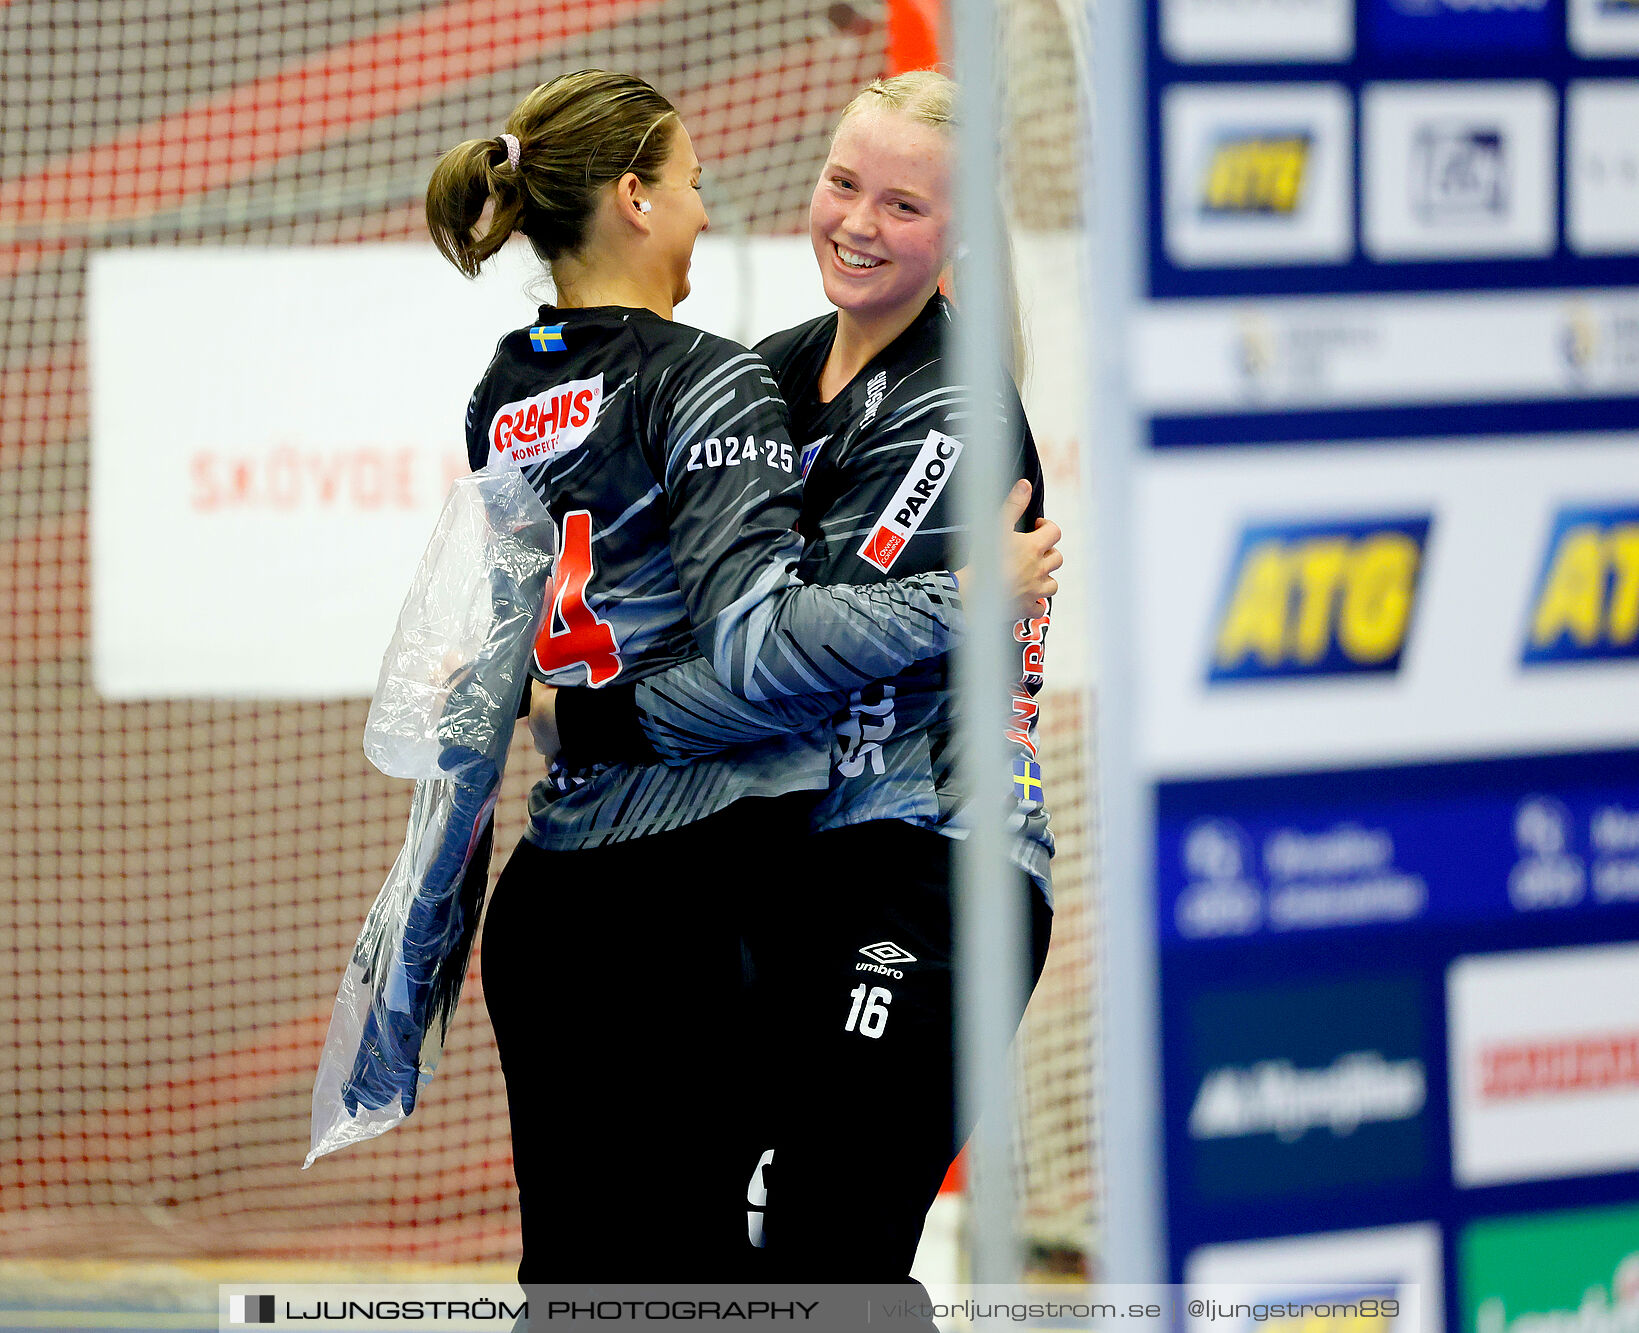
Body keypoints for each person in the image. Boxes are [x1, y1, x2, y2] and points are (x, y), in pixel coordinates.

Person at [421, 69, 1060, 1283]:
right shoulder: (766, 365)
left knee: (828, 1252)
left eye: (905, 206)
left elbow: (772, 671)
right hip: (795, 861)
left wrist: (578, 719)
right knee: (693, 1258)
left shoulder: (952, 410)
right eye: (840, 183)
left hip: (933, 865)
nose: (859, 223)